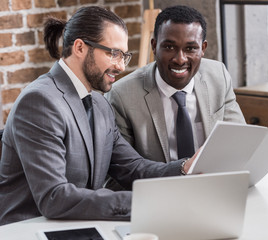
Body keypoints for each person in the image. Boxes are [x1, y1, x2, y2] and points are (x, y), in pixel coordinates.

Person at [0, 6, 196, 226]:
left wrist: (184, 167)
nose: (121, 66)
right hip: (29, 230)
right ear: (80, 48)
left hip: (79, 226)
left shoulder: (99, 104)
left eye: (125, 56)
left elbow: (133, 168)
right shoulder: (39, 102)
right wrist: (147, 202)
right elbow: (54, 197)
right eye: (114, 53)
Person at [106, 5, 246, 163]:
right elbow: (120, 172)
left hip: (213, 180)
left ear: (203, 48)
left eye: (190, 48)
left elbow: (241, 143)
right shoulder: (122, 95)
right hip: (159, 185)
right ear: (154, 46)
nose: (180, 59)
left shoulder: (217, 75)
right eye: (169, 47)